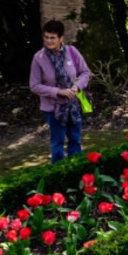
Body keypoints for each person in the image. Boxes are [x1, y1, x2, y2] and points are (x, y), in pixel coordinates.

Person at [29, 20, 91, 163]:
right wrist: (58, 91)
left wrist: (77, 87)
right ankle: (57, 174)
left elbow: (85, 72)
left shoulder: (72, 52)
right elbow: (34, 85)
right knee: (57, 144)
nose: (49, 41)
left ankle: (75, 170)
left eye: (52, 38)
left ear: (61, 38)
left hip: (74, 105)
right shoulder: (39, 58)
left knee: (75, 140)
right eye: (46, 37)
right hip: (53, 108)